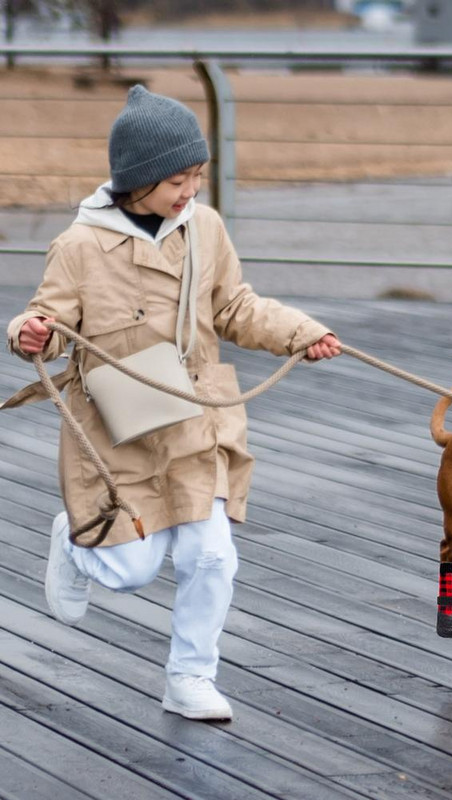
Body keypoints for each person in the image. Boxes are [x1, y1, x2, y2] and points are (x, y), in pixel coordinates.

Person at [6, 85, 341, 721]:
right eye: (176, 180)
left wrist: (300, 332)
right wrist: (30, 333)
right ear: (137, 180)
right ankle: (74, 543)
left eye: (197, 176)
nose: (190, 190)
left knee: (211, 554)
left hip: (194, 416)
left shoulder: (205, 228)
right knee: (131, 570)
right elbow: (46, 319)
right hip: (117, 426)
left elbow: (235, 305)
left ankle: (190, 677)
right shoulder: (78, 246)